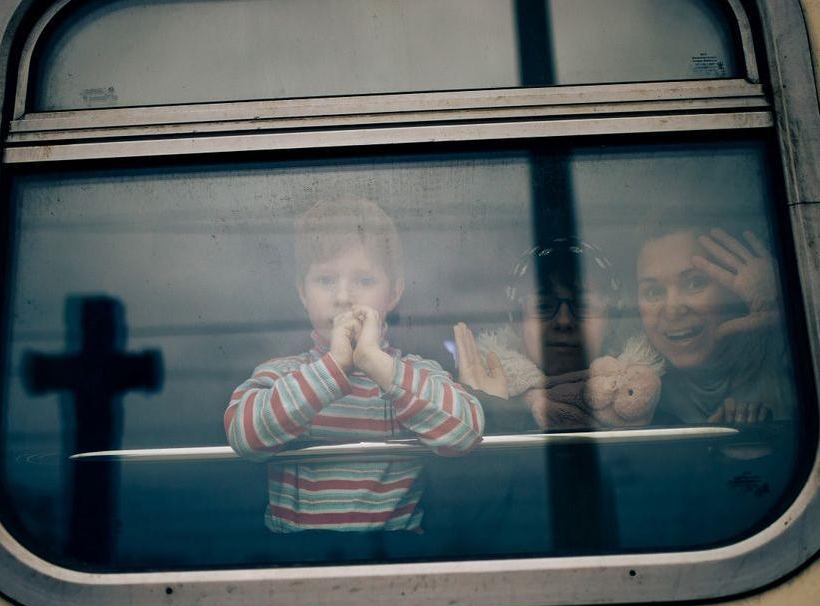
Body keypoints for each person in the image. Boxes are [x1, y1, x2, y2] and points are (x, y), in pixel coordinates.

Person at [224, 197, 483, 535]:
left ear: (393, 293)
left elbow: (466, 433)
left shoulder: (415, 373)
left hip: (396, 556)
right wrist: (333, 366)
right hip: (297, 557)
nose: (344, 297)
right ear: (302, 293)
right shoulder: (282, 373)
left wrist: (376, 363)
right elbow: (243, 436)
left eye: (364, 281)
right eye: (326, 280)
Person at [452, 238, 662, 432]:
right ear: (517, 323)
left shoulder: (657, 412)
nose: (563, 321)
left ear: (611, 324)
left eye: (582, 305)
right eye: (544, 306)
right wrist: (486, 415)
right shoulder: (481, 404)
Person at [635, 227, 796, 423]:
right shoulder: (635, 388)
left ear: (736, 287)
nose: (672, 310)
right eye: (653, 292)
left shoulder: (788, 360)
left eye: (695, 283)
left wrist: (787, 307)